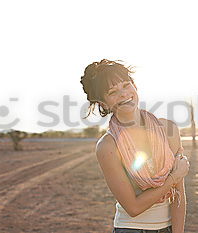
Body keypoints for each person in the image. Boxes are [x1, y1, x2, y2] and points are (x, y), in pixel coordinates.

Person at [80, 59, 190, 233]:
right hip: (131, 229)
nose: (124, 94)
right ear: (104, 104)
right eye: (113, 92)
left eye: (126, 85)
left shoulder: (169, 129)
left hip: (169, 227)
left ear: (135, 86)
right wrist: (173, 178)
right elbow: (133, 208)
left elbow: (179, 196)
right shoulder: (107, 146)